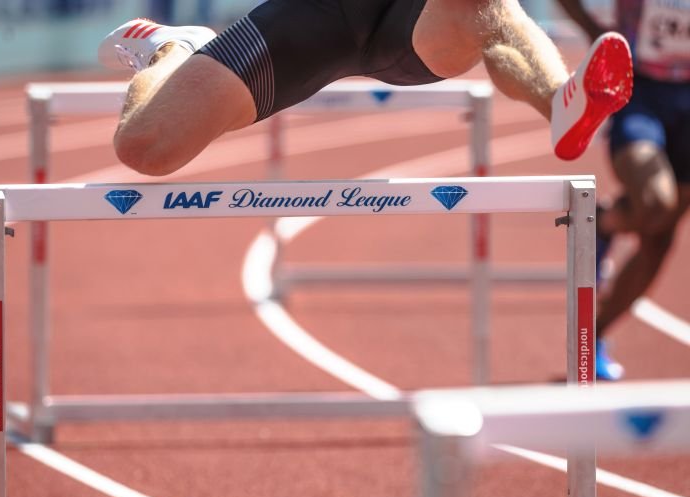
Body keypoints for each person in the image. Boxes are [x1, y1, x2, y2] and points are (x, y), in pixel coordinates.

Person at [97, 0, 633, 177]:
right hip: (314, 20)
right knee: (145, 147)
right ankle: (176, 50)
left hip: (415, 22)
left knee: (483, 6)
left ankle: (563, 101)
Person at [556, 0, 690, 380]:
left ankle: (595, 335)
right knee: (655, 202)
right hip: (642, 92)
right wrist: (594, 32)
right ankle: (604, 222)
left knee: (660, 239)